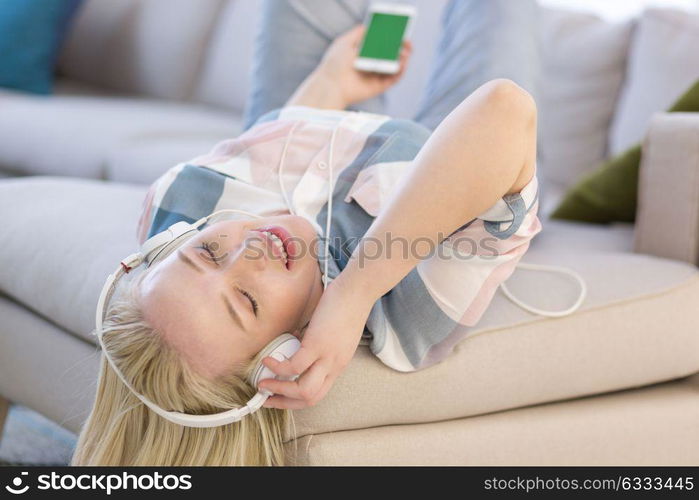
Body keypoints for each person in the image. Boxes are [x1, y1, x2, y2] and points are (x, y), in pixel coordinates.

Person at [72, 0, 540, 466]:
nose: (249, 250)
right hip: (474, 161)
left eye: (210, 251)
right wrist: (354, 293)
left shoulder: (181, 204)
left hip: (318, 123)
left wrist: (330, 83)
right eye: (247, 300)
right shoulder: (403, 317)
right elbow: (503, 108)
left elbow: (279, 137)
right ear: (282, 354)